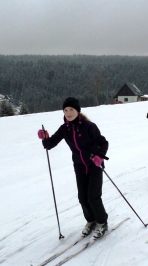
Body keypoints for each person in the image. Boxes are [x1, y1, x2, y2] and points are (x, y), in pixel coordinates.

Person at [38, 97, 109, 239]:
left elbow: (103, 143)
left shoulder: (89, 126)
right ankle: (91, 221)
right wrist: (45, 138)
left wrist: (99, 157)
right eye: (65, 110)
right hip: (80, 167)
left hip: (94, 166)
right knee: (82, 198)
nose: (68, 113)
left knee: (93, 197)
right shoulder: (65, 129)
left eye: (71, 109)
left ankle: (102, 223)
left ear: (77, 110)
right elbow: (50, 144)